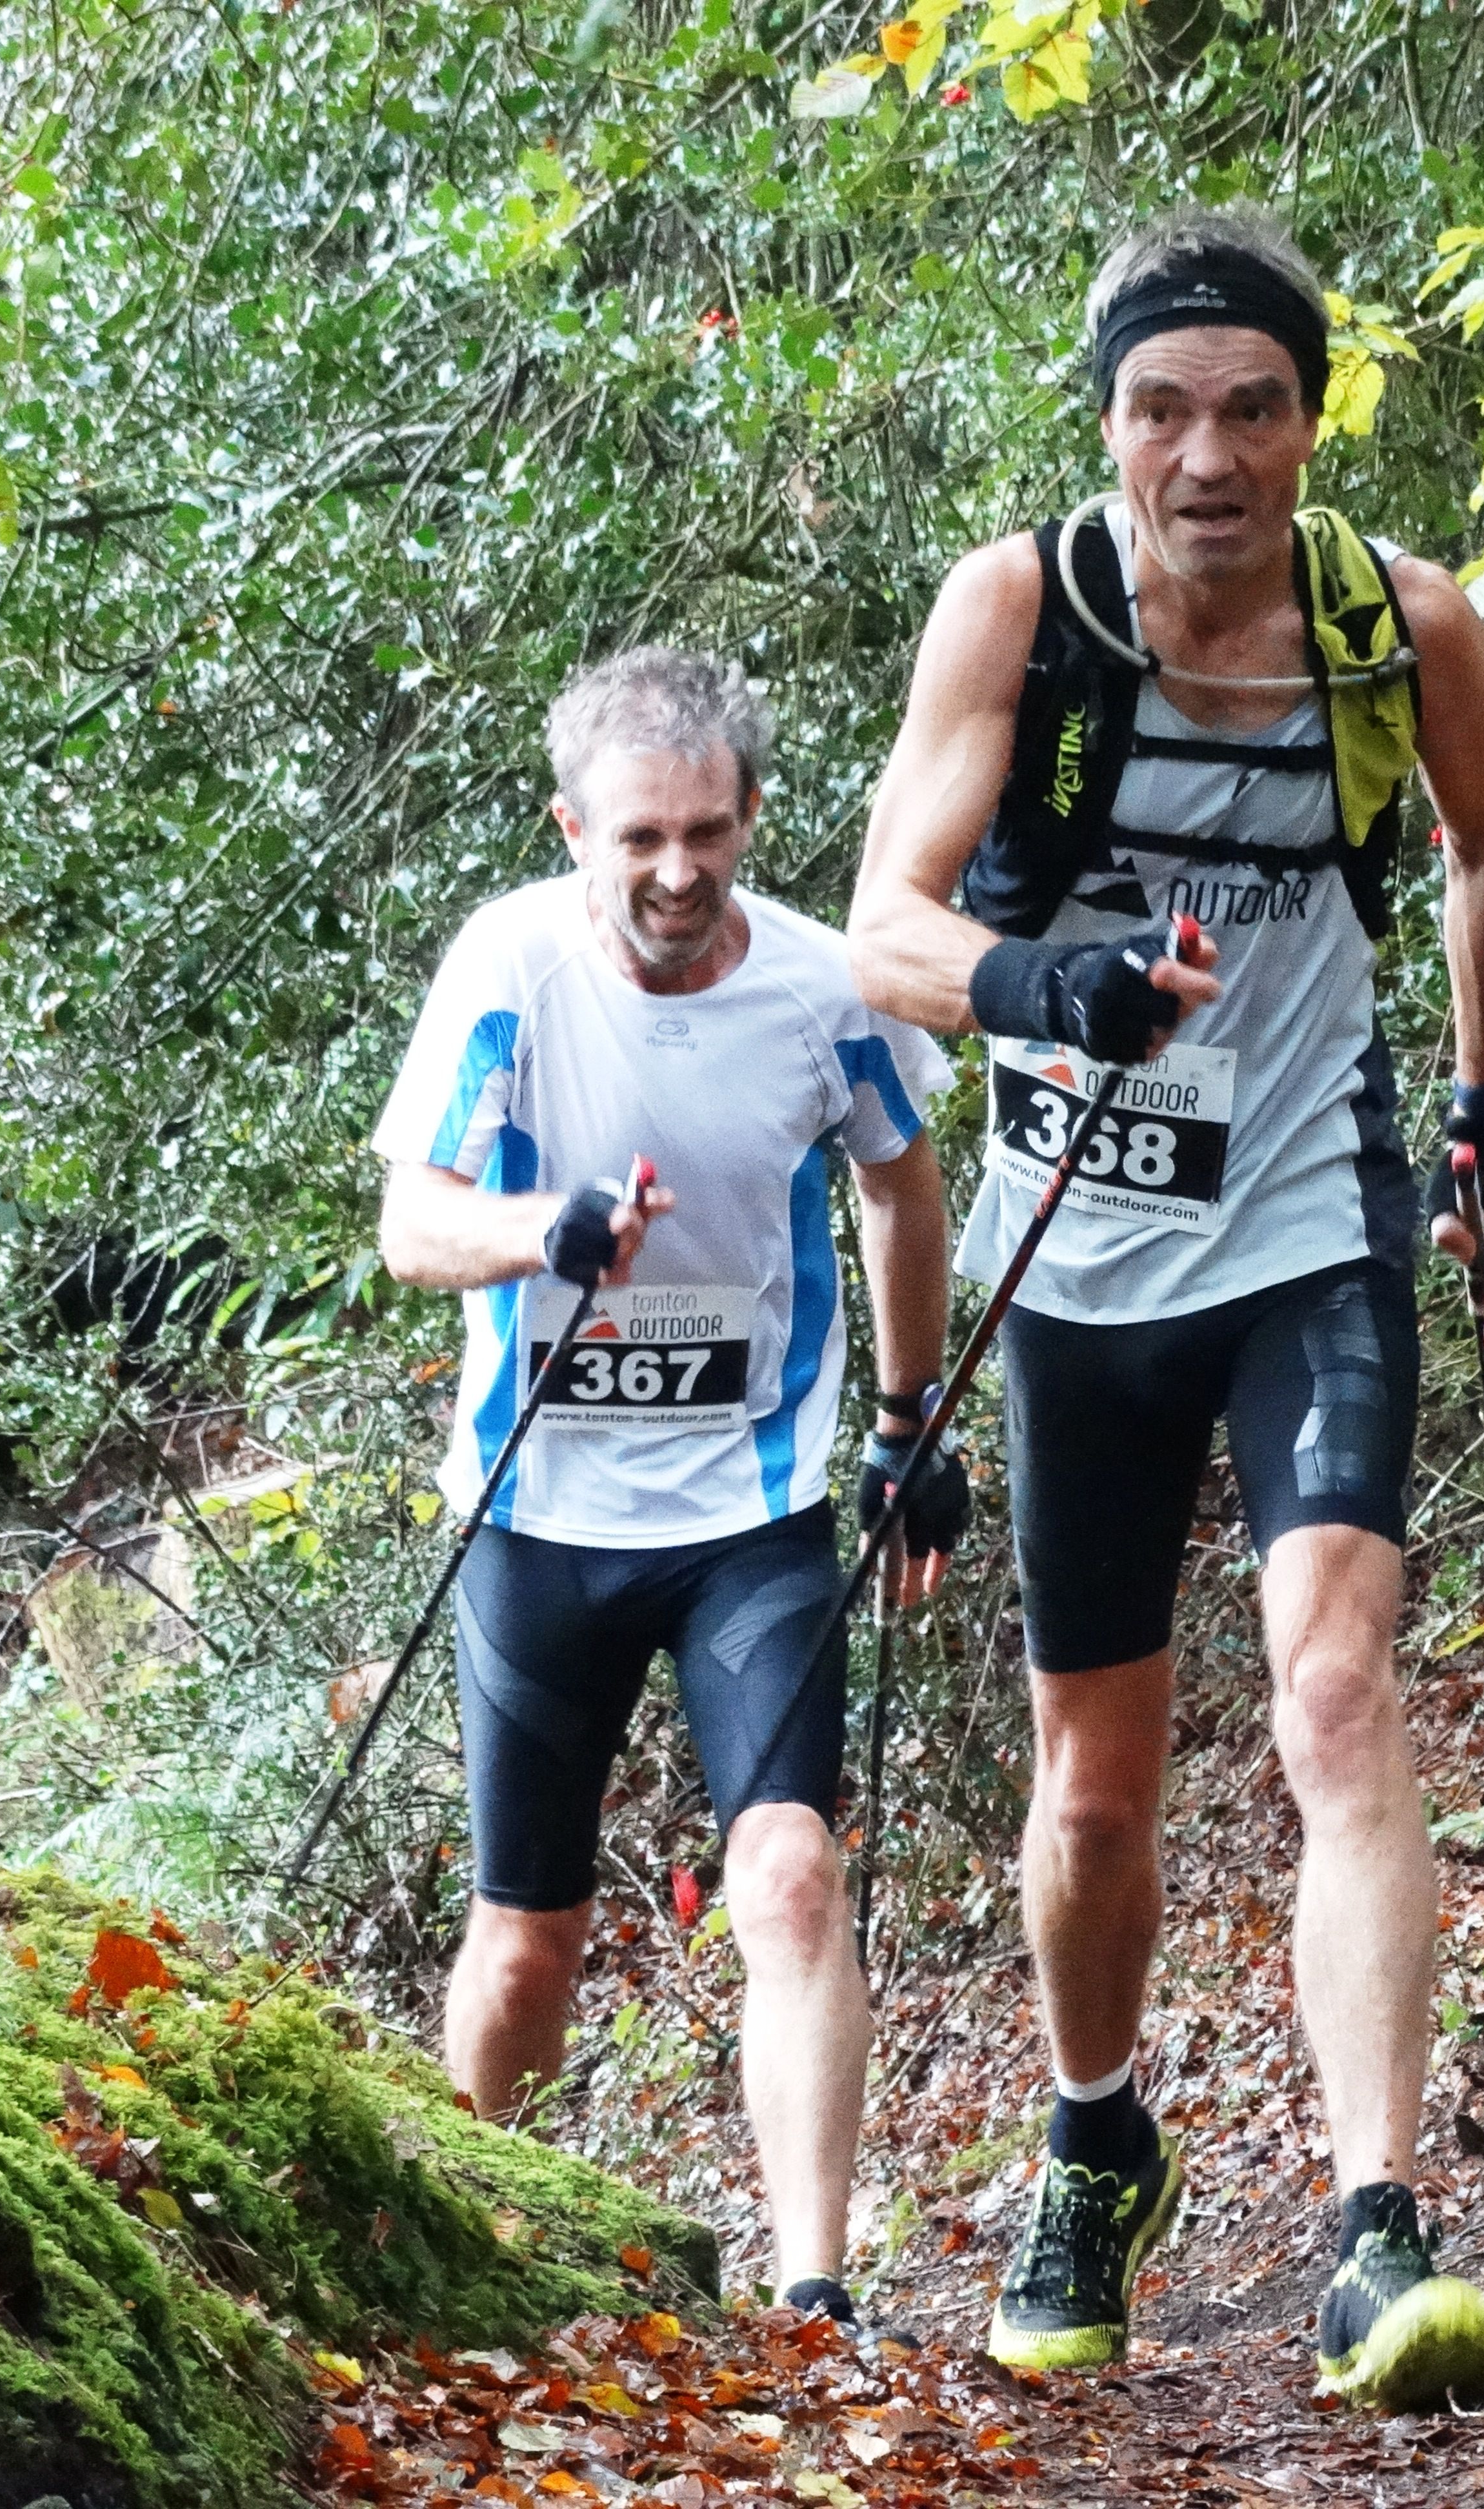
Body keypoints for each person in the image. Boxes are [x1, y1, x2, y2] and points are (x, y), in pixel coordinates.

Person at [845, 204, 1484, 2409]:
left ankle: (1378, 2229)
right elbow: (881, 924)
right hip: (1080, 1268)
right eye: (1163, 410)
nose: (1209, 457)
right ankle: (1097, 2143)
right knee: (1094, 1795)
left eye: (1253, 409)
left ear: (1312, 426)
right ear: (1110, 429)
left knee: (1335, 1691)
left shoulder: (1400, 630)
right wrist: (1042, 985)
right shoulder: (1021, 614)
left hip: (1306, 1227)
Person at [373, 646, 967, 2333]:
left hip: (747, 1521)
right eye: (639, 837)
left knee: (789, 1877)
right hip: (536, 1520)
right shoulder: (509, 966)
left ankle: (813, 2297)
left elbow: (900, 1183)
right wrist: (544, 1231)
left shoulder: (823, 985)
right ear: (575, 829)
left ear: (753, 815)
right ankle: (474, 2273)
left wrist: (909, 1422)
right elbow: (412, 1224)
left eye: (708, 831)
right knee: (526, 1939)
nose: (677, 870)